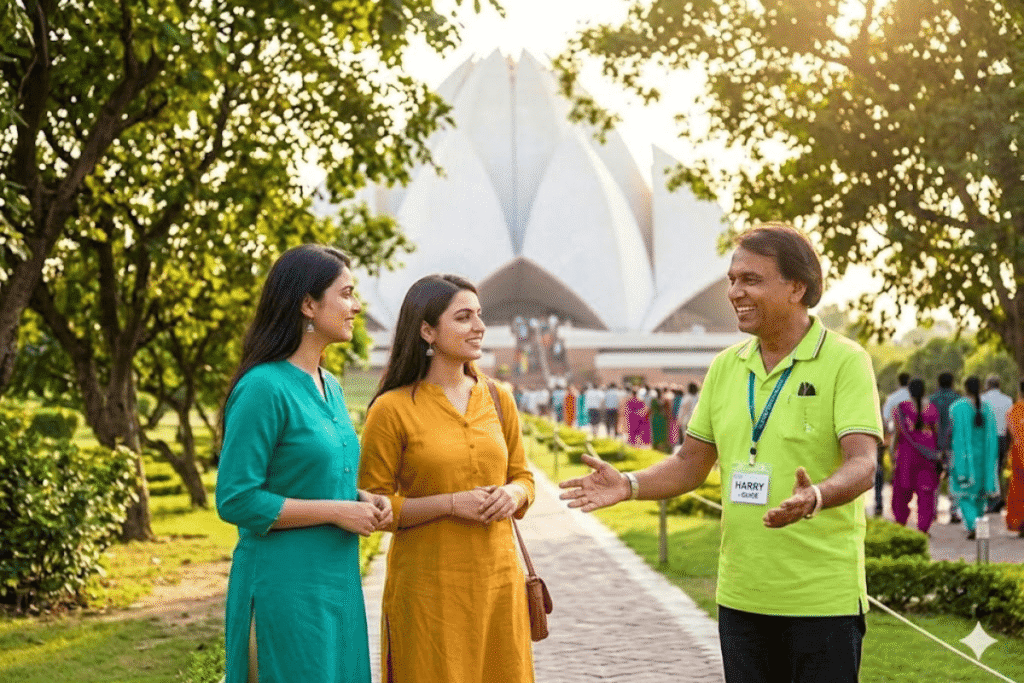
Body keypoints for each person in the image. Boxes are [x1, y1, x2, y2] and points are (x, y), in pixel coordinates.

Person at [560, 222, 881, 683]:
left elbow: (862, 463)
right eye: (732, 280)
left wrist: (816, 497)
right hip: (742, 599)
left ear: (797, 288)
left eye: (751, 280)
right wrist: (629, 484)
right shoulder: (727, 367)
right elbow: (691, 463)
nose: (735, 292)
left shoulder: (845, 361)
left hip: (821, 601)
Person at [216, 244, 392, 683]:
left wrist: (361, 499)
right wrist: (337, 511)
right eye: (346, 293)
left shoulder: (329, 384)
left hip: (337, 583)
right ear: (308, 304)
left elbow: (313, 477)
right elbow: (237, 499)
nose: (356, 307)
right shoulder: (263, 388)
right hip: (285, 588)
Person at [357, 274, 536, 683]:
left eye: (479, 315)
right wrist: (452, 503)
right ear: (427, 331)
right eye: (463, 317)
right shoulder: (392, 409)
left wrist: (513, 494)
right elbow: (374, 508)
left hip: (499, 586)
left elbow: (524, 477)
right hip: (428, 592)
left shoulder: (497, 397)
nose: (479, 326)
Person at [950, 376, 1000, 538]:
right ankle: (979, 524)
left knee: (965, 496)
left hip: (965, 460)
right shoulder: (987, 409)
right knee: (980, 496)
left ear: (965, 389)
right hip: (984, 460)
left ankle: (973, 525)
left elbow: (953, 432)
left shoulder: (958, 408)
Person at [890, 378, 941, 533]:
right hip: (927, 459)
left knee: (901, 493)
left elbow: (897, 434)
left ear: (909, 391)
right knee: (926, 495)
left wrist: (892, 452)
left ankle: (900, 523)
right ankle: (923, 528)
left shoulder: (900, 409)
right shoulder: (932, 409)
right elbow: (936, 434)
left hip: (906, 458)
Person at [877, 372, 911, 517]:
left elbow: (886, 418)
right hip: (913, 438)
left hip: (891, 437)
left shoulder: (892, 398)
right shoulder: (913, 397)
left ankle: (882, 503)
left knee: (887, 469)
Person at [929, 372, 961, 523]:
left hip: (934, 445)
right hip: (953, 444)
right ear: (952, 383)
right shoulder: (958, 400)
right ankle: (954, 511)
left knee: (934, 478)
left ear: (938, 383)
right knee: (954, 477)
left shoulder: (931, 400)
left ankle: (932, 510)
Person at [981, 374, 1014, 512]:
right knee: (999, 469)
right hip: (1002, 438)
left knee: (987, 469)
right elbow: (1009, 423)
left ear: (987, 385)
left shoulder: (982, 399)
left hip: (986, 438)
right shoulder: (1008, 400)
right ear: (999, 385)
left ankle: (991, 501)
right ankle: (997, 499)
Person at [1005, 380, 1024, 535]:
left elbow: (1009, 435)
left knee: (1018, 488)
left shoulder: (1012, 411)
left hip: (1018, 454)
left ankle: (1018, 522)